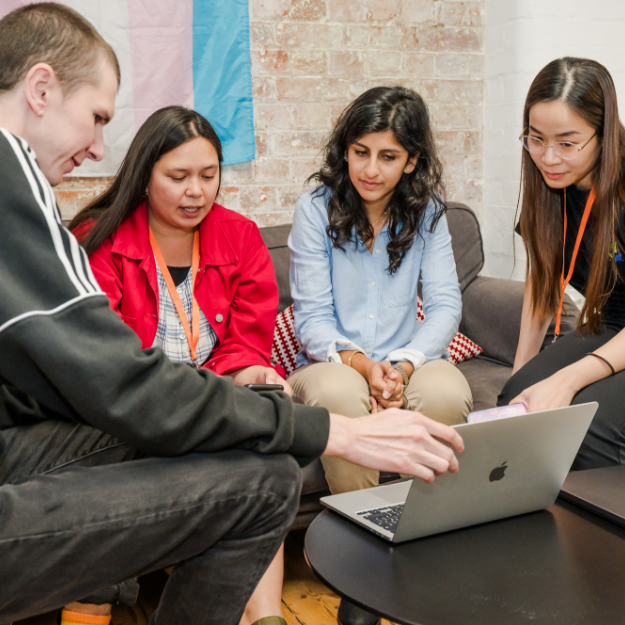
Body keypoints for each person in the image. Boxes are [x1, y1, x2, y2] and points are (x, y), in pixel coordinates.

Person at [0, 5, 465, 625]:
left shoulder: (239, 236)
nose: (97, 147)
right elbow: (121, 382)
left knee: (240, 431)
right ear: (39, 89)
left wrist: (245, 392)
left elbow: (83, 381)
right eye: (97, 118)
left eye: (207, 175)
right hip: (137, 400)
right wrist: (330, 429)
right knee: (266, 479)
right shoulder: (31, 193)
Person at [69, 105, 292, 625]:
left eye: (208, 175)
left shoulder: (240, 236)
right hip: (128, 409)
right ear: (144, 177)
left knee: (266, 448)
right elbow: (101, 360)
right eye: (178, 177)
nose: (197, 191)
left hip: (206, 404)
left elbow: (246, 342)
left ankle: (266, 618)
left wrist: (250, 375)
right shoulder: (100, 238)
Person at [287, 86, 473, 625]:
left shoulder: (431, 214)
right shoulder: (314, 208)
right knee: (342, 394)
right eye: (360, 151)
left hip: (406, 359)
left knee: (446, 390)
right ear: (345, 149)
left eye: (388, 156)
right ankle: (360, 566)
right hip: (334, 362)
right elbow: (312, 317)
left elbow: (444, 306)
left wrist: (409, 362)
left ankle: (420, 547)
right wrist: (363, 366)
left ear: (412, 159)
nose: (371, 168)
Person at [498, 57, 625, 471]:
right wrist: (523, 373)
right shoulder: (549, 186)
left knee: (589, 425)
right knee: (516, 403)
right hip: (611, 322)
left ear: (604, 136)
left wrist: (567, 379)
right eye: (536, 139)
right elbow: (543, 281)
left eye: (567, 143)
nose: (548, 157)